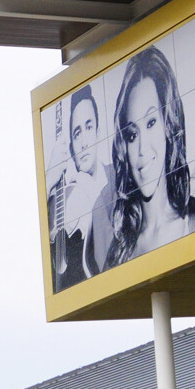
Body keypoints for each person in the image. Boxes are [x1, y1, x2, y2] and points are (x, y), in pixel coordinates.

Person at [105, 47, 195, 266]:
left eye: (151, 123)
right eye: (132, 135)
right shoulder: (118, 254)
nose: (142, 148)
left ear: (167, 125)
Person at [48, 84, 111, 289]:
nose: (83, 142)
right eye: (76, 133)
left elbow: (113, 258)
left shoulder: (119, 178)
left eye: (89, 127)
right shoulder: (66, 199)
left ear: (98, 132)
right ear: (71, 149)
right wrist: (49, 180)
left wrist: (93, 193)